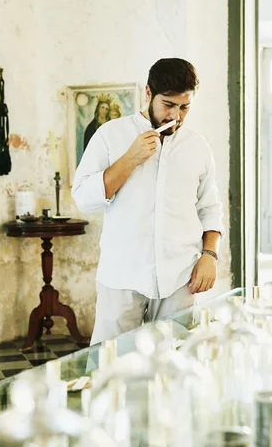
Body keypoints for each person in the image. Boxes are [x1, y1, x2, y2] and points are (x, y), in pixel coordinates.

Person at [72, 58, 223, 344]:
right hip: (121, 276)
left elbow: (209, 207)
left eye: (185, 107)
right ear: (148, 93)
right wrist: (130, 159)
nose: (176, 117)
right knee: (112, 370)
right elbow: (83, 197)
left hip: (181, 277)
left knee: (175, 368)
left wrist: (210, 255)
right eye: (168, 105)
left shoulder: (198, 146)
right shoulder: (109, 136)